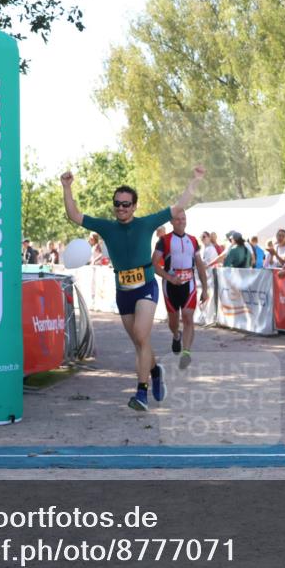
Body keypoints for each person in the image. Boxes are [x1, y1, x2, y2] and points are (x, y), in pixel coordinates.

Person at [63, 165, 206, 411]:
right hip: (123, 292)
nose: (121, 208)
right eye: (117, 203)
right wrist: (66, 187)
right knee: (140, 344)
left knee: (141, 335)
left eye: (126, 204)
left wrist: (195, 180)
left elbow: (179, 206)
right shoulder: (107, 227)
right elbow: (74, 215)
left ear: (134, 206)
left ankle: (141, 393)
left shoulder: (146, 223)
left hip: (146, 288)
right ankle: (155, 371)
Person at [152, 211, 209, 369]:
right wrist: (169, 278)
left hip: (189, 284)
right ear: (171, 221)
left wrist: (205, 289)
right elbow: (154, 264)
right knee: (173, 322)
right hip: (170, 286)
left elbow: (199, 265)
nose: (181, 222)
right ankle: (176, 335)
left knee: (188, 317)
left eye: (183, 219)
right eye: (177, 219)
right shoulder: (164, 240)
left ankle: (186, 353)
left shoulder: (192, 240)